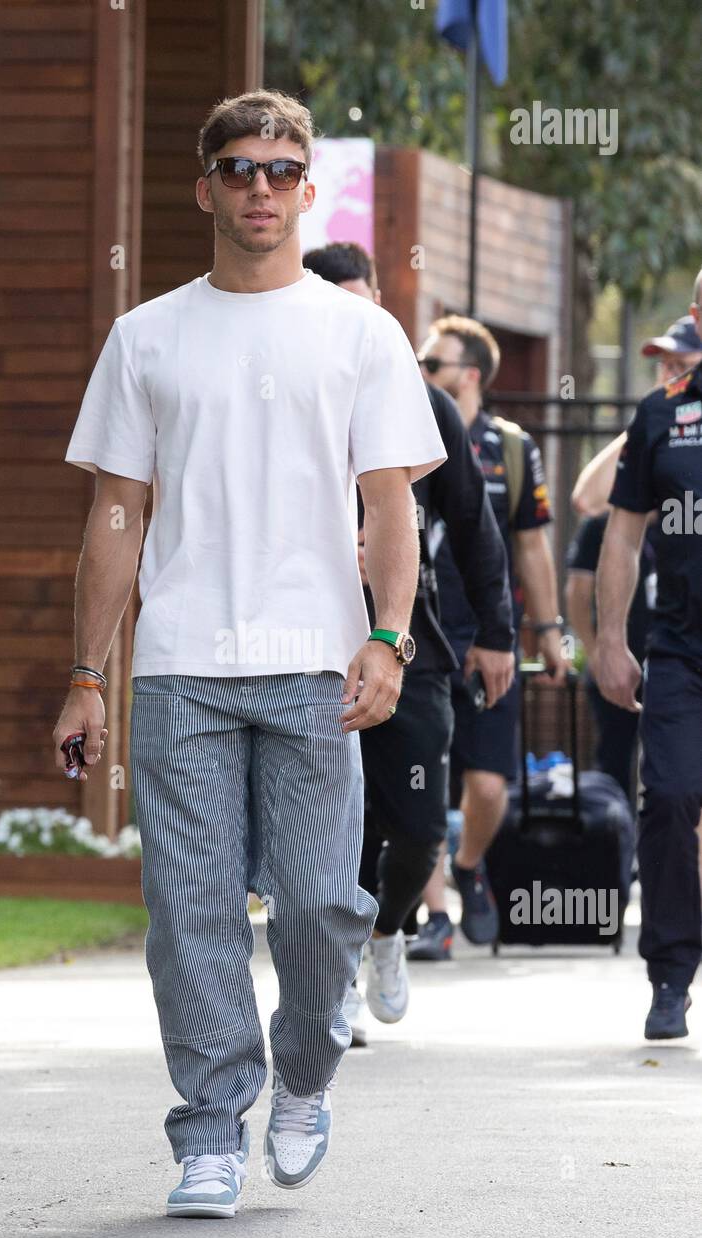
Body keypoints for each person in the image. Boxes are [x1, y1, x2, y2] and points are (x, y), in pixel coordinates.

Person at [55, 90, 446, 1217]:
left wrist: (384, 635)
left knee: (324, 904)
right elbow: (117, 519)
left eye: (281, 170)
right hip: (180, 667)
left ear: (307, 189)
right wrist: (90, 674)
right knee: (190, 912)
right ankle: (209, 1126)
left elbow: (388, 509)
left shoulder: (359, 334)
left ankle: (306, 1077)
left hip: (317, 665)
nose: (260, 188)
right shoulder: (146, 338)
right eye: (238, 169)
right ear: (204, 187)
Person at [302, 243, 514, 1044]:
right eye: (342, 305)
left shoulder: (426, 405)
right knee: (338, 827)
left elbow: (473, 526)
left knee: (423, 824)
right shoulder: (292, 396)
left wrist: (496, 633)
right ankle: (333, 982)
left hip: (408, 640)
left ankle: (388, 932)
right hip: (311, 643)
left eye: (370, 302)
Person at [418, 316, 569, 946]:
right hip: (418, 634)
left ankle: (469, 866)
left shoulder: (511, 447)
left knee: (486, 781)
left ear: (470, 375)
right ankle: (437, 917)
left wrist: (549, 629)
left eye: (433, 366)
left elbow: (532, 546)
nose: (420, 374)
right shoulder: (402, 432)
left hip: (486, 637)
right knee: (419, 777)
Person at [595, 269, 702, 1041]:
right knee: (667, 797)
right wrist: (607, 638)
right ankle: (669, 975)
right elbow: (624, 533)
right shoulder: (662, 414)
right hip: (679, 649)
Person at [565, 511, 658, 802]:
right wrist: (596, 654)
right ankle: (614, 838)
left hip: (671, 664)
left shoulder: (680, 523)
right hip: (617, 662)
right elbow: (577, 594)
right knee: (614, 761)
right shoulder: (600, 526)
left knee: (671, 769)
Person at [572, 315, 702, 518]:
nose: (669, 377)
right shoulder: (661, 425)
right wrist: (648, 422)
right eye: (666, 365)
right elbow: (588, 500)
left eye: (682, 366)